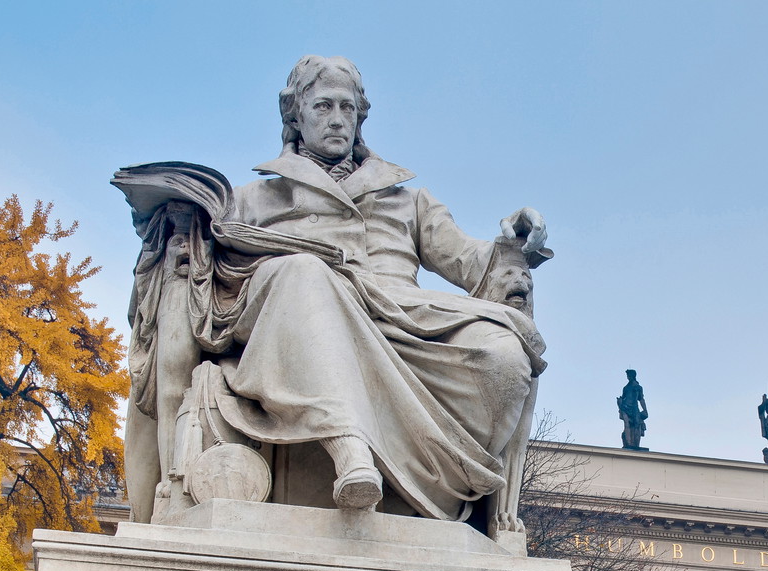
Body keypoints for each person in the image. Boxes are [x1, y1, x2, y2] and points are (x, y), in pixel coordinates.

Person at [125, 55, 551, 525]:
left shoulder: (407, 199)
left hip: (400, 314)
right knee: (306, 274)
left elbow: (470, 262)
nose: (337, 119)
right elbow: (213, 272)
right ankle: (351, 451)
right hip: (290, 311)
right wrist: (188, 244)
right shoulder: (251, 200)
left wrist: (510, 244)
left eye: (347, 108)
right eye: (324, 106)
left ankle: (460, 499)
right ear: (295, 115)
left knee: (505, 352)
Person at [617, 369, 648, 450]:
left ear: (633, 376)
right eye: (628, 376)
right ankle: (629, 443)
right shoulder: (626, 388)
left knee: (637, 425)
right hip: (625, 407)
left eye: (629, 376)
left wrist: (645, 409)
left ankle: (636, 445)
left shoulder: (638, 387)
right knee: (627, 423)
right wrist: (619, 403)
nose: (628, 377)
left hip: (634, 408)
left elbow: (641, 399)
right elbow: (623, 398)